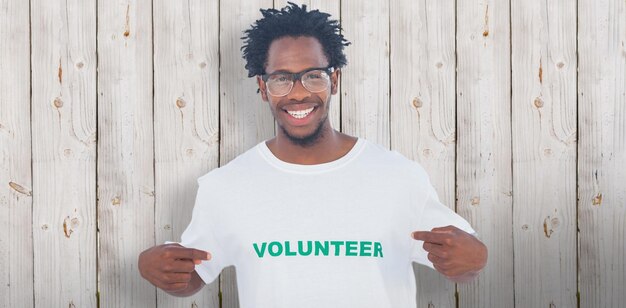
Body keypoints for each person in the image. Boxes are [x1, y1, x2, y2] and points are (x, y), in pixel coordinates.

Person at [138, 3, 487, 307]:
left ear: (334, 81)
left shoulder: (399, 176)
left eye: (313, 76)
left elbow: (460, 265)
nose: (299, 93)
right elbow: (193, 277)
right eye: (281, 80)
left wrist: (475, 260)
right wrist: (156, 269)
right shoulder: (224, 186)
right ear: (263, 89)